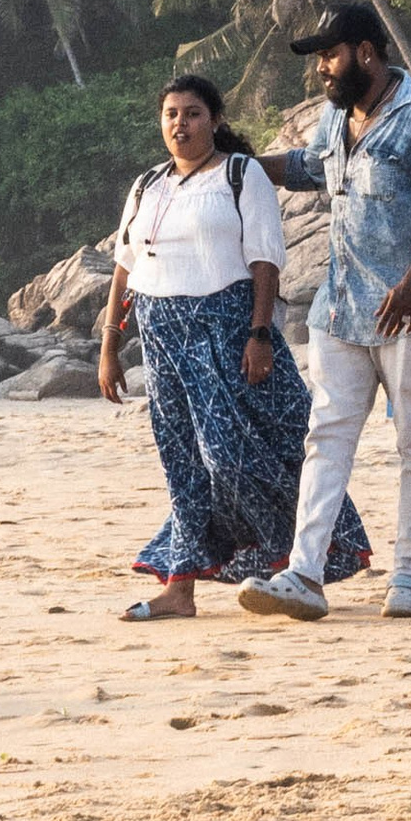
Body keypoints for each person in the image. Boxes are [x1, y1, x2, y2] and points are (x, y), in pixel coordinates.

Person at [97, 72, 368, 617]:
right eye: (171, 114)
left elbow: (265, 260)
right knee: (182, 462)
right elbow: (124, 269)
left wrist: (260, 334)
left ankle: (287, 563)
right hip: (161, 334)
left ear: (215, 121)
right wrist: (109, 343)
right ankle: (180, 588)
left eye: (193, 113)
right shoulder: (147, 184)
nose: (181, 123)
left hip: (227, 328)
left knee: (234, 458)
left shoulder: (241, 176)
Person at [238, 1, 411, 625]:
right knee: (327, 440)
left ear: (366, 52)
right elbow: (307, 169)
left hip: (410, 313)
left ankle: (408, 579)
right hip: (338, 309)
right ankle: (304, 574)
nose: (322, 69)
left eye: (330, 55)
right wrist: (235, 165)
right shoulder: (335, 117)